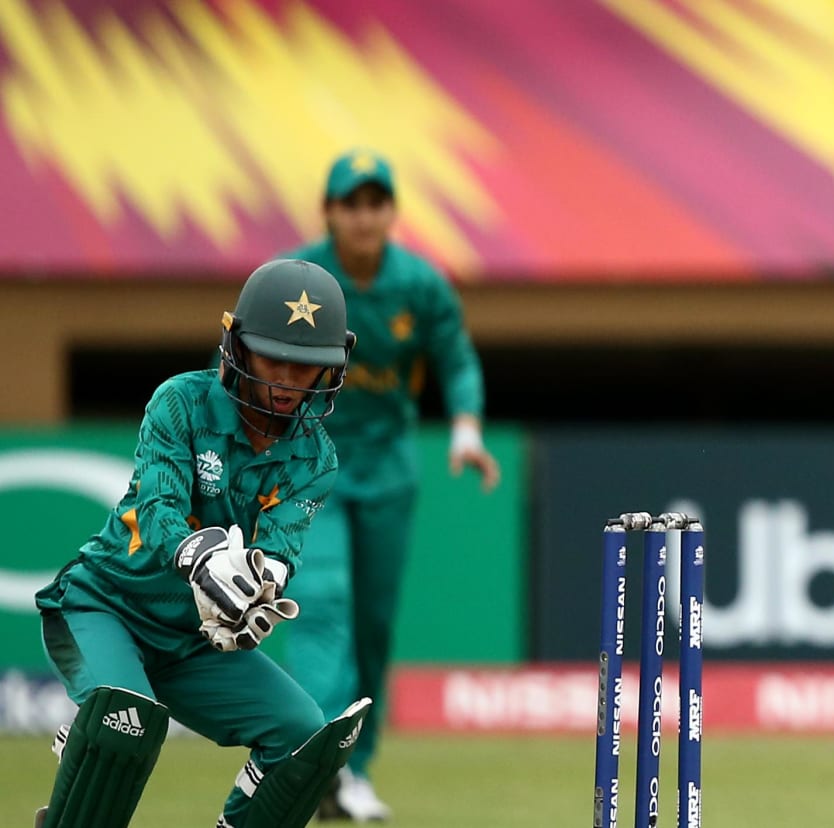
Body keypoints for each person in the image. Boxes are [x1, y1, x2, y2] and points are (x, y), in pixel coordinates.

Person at [33, 259, 368, 828]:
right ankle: (91, 744)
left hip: (193, 642)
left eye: (307, 365)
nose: (288, 379)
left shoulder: (317, 456)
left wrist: (259, 587)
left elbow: (283, 543)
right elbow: (160, 507)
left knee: (304, 740)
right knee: (125, 723)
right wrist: (204, 559)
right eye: (274, 357)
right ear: (237, 345)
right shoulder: (180, 403)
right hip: (104, 607)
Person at [277, 148, 498, 822]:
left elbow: (456, 358)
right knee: (320, 603)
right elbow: (237, 359)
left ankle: (355, 769)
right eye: (352, 204)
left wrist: (465, 428)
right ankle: (307, 756)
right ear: (330, 212)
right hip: (312, 465)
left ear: (392, 213)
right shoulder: (297, 278)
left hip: (388, 469)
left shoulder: (420, 286)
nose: (365, 217)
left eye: (377, 203)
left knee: (372, 626)